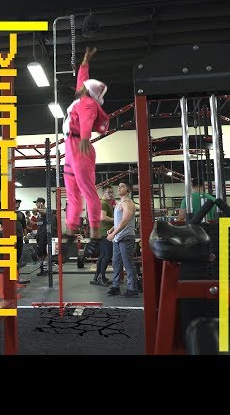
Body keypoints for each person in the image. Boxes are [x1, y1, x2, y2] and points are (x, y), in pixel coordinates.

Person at [61, 47, 111, 262]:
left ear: (86, 92)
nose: (79, 85)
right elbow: (84, 78)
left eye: (82, 86)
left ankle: (94, 233)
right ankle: (71, 229)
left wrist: (83, 138)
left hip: (80, 146)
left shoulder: (87, 103)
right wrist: (84, 63)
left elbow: (88, 121)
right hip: (71, 148)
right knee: (72, 193)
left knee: (88, 192)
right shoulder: (82, 98)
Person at [106, 182, 139, 297]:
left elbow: (125, 221)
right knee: (116, 263)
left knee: (128, 264)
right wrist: (112, 229)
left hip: (126, 237)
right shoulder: (119, 203)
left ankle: (132, 289)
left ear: (128, 190)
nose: (119, 188)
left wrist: (113, 233)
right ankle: (115, 287)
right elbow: (118, 221)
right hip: (118, 237)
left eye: (123, 186)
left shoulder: (128, 203)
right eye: (119, 186)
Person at [91, 185, 115, 286]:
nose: (111, 194)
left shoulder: (106, 204)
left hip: (104, 233)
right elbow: (103, 218)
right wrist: (117, 220)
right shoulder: (103, 203)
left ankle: (98, 277)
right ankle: (101, 277)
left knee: (102, 256)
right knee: (107, 255)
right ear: (103, 193)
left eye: (112, 192)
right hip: (105, 233)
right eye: (108, 192)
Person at [33, 197, 50, 276]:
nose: (36, 204)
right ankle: (43, 269)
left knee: (39, 250)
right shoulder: (39, 213)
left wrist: (37, 209)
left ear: (41, 203)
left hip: (44, 234)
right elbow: (35, 213)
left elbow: (45, 213)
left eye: (37, 203)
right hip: (39, 234)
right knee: (42, 252)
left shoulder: (45, 210)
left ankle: (45, 269)